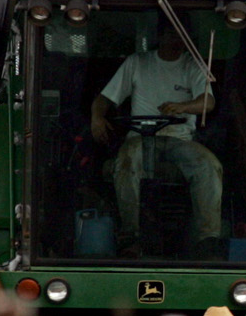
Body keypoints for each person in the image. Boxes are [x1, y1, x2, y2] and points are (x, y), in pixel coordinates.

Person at [90, 30, 224, 255]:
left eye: (182, 38)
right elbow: (105, 98)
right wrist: (97, 117)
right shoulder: (137, 63)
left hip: (179, 140)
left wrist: (183, 107)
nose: (177, 42)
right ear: (159, 36)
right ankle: (130, 236)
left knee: (209, 165)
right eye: (172, 36)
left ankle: (207, 240)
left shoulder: (193, 65)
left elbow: (207, 102)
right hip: (139, 139)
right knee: (127, 160)